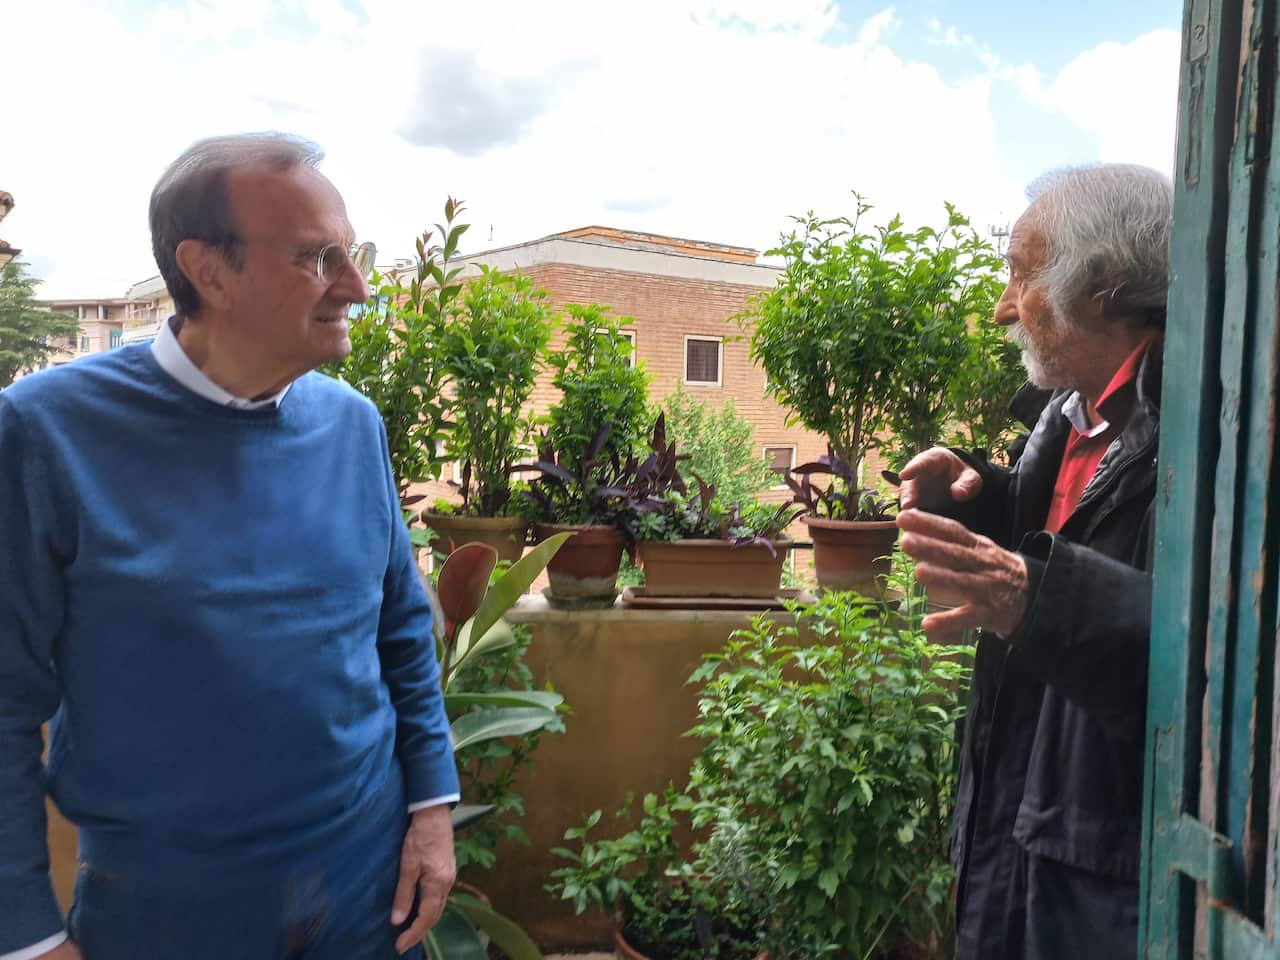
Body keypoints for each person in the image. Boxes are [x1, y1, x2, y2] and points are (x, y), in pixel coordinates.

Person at [0, 133, 459, 960]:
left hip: (369, 895)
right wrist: (26, 934)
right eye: (318, 258)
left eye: (352, 256)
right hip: (167, 913)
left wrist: (431, 808)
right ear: (208, 270)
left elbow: (400, 626)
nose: (356, 288)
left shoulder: (353, 427)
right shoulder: (46, 431)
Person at [896, 163, 1173, 959]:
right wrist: (985, 500)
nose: (1001, 307)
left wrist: (1035, 595)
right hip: (1017, 834)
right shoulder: (1067, 417)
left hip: (1108, 878)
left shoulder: (1205, 427)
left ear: (1104, 286)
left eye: (1022, 273)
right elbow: (1079, 539)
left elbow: (1208, 654)